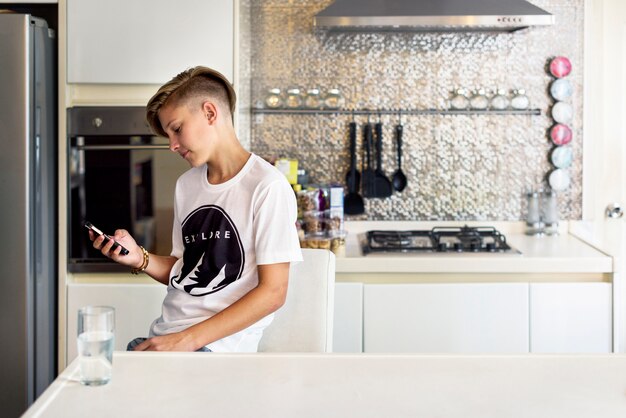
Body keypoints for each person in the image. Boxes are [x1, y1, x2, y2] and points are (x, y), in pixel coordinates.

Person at [89, 66, 302, 352]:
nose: (172, 145)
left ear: (210, 113)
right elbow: (187, 272)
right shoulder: (187, 185)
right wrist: (138, 257)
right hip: (166, 338)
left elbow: (273, 293)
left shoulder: (267, 186)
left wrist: (185, 340)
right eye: (169, 135)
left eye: (176, 129)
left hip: (214, 350)